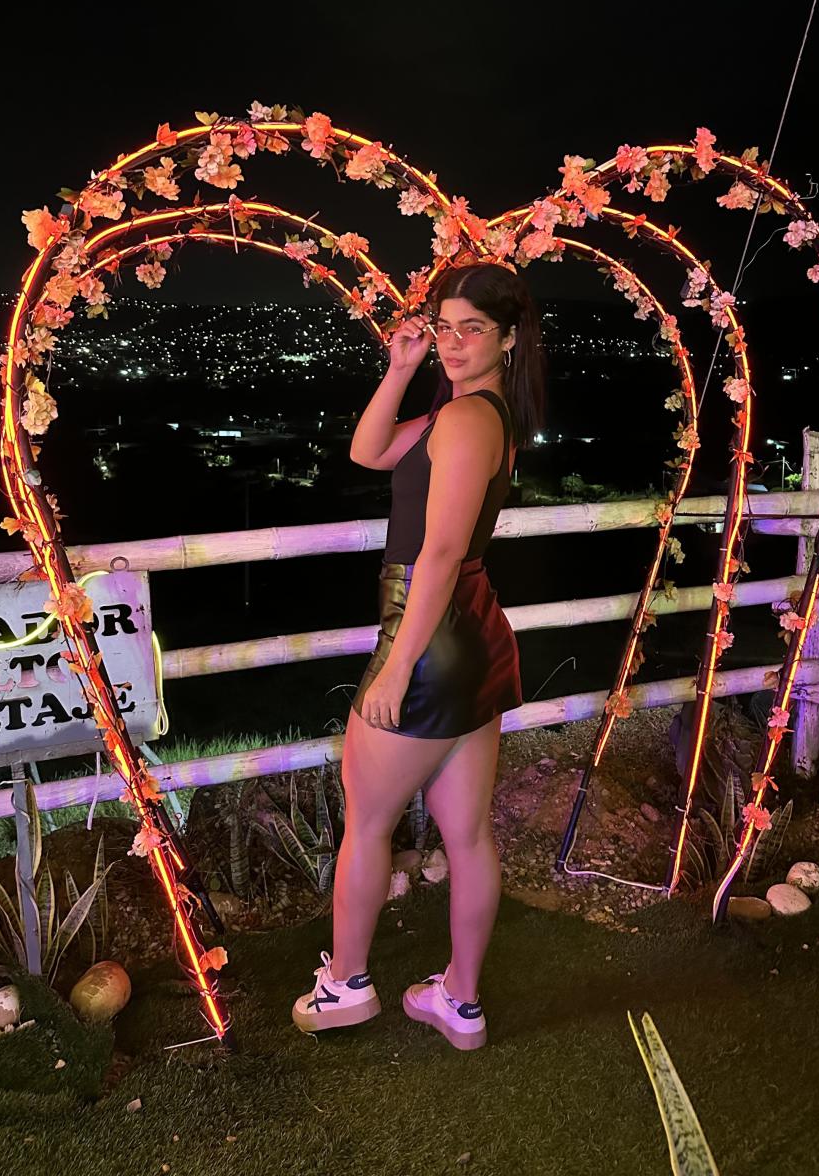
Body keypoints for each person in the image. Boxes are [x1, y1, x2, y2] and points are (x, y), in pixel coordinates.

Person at [292, 259, 546, 1050]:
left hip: (428, 632)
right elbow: (369, 452)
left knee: (367, 821)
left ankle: (346, 986)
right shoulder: (476, 414)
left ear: (509, 337)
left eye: (474, 328)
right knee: (466, 834)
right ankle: (459, 1002)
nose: (454, 342)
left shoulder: (468, 420)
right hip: (471, 634)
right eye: (444, 327)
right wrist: (401, 367)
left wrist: (398, 667)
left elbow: (437, 554)